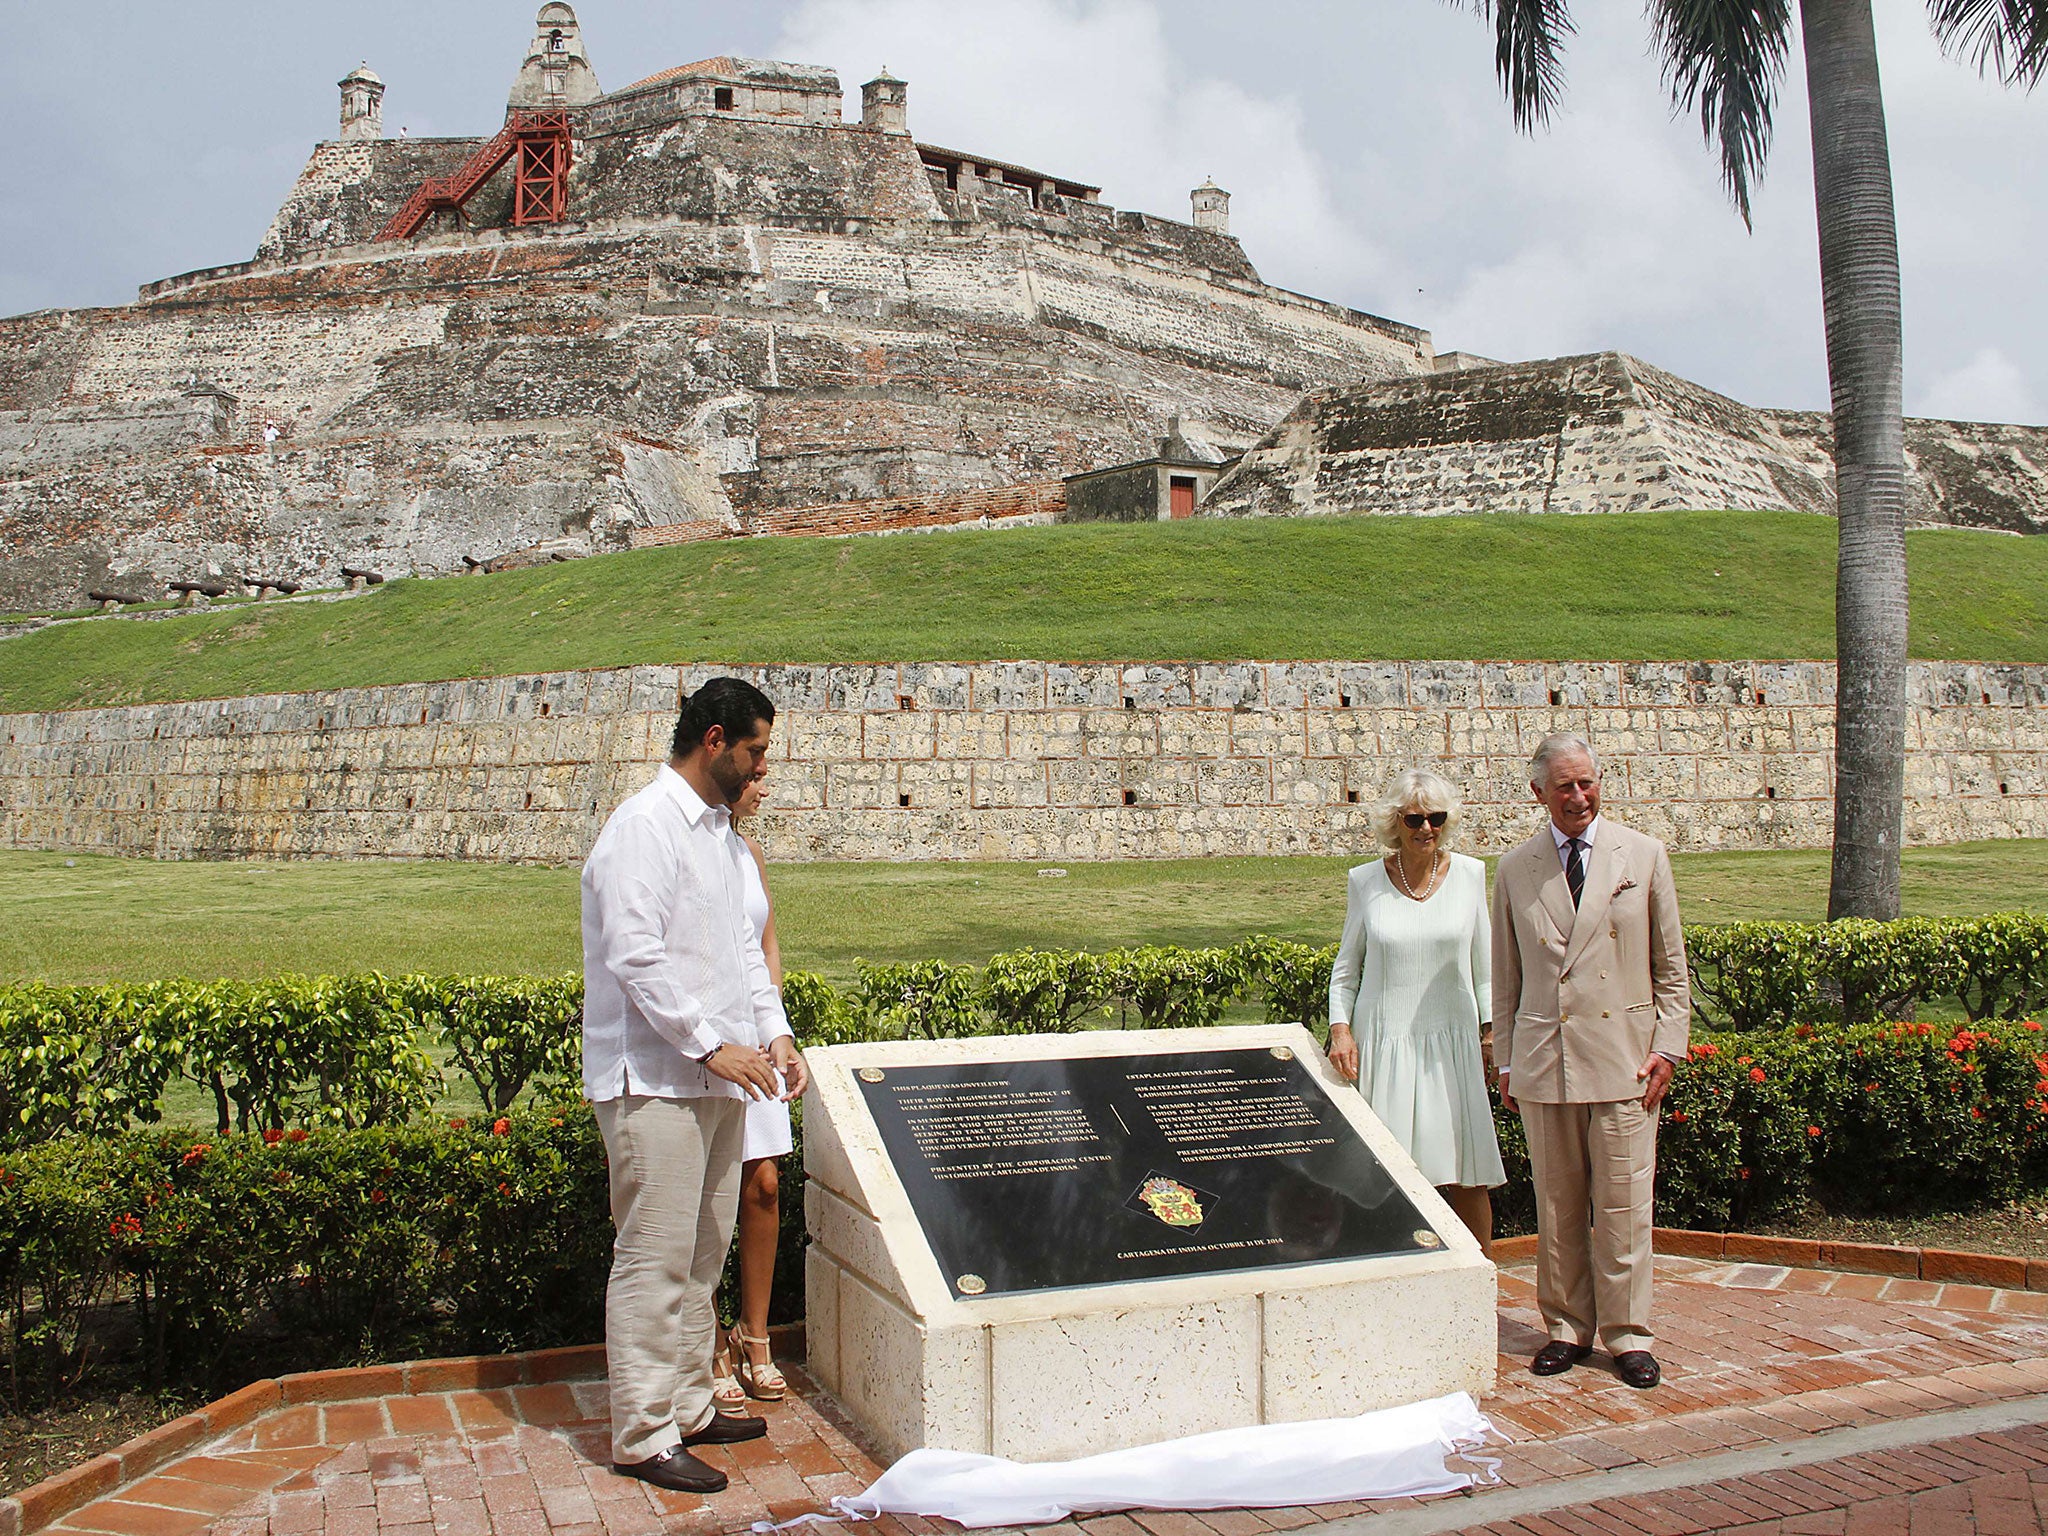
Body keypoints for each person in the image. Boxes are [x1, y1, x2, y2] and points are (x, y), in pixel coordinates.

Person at [581, 677, 809, 1493]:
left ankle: (687, 1405)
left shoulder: (717, 836)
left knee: (703, 1249)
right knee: (653, 1254)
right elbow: (633, 955)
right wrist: (714, 1046)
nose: (760, 768)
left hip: (716, 1079)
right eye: (754, 751)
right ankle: (642, 1432)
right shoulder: (644, 827)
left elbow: (743, 951)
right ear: (713, 739)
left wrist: (774, 1034)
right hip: (653, 1080)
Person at [1492, 732, 1690, 1390]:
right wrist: (1506, 1061)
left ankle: (1629, 1334)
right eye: (1564, 787)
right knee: (1558, 1205)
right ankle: (1566, 1326)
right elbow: (1506, 977)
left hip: (1626, 1062)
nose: (1578, 797)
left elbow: (1672, 969)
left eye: (1587, 783)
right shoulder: (1516, 869)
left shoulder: (1644, 854)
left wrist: (1668, 1047)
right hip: (1548, 1061)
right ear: (1538, 793)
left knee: (1626, 1202)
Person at [1327, 768, 1505, 1255]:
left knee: (1467, 1175)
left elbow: (1485, 968)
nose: (1426, 828)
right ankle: (1385, 1275)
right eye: (1414, 819)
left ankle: (1477, 1279)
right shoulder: (1364, 881)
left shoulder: (1471, 874)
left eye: (1436, 818)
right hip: (1385, 1043)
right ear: (1395, 823)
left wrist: (1491, 1032)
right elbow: (1346, 969)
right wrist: (1340, 1030)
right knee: (1381, 1173)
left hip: (1452, 1043)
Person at [709, 775, 792, 1415]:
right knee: (703, 1197)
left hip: (756, 1038)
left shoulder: (749, 853)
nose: (763, 785)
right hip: (708, 1044)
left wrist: (778, 1031)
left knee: (762, 1184)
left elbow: (766, 947)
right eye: (756, 773)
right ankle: (709, 1343)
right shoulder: (692, 850)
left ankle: (754, 1334)